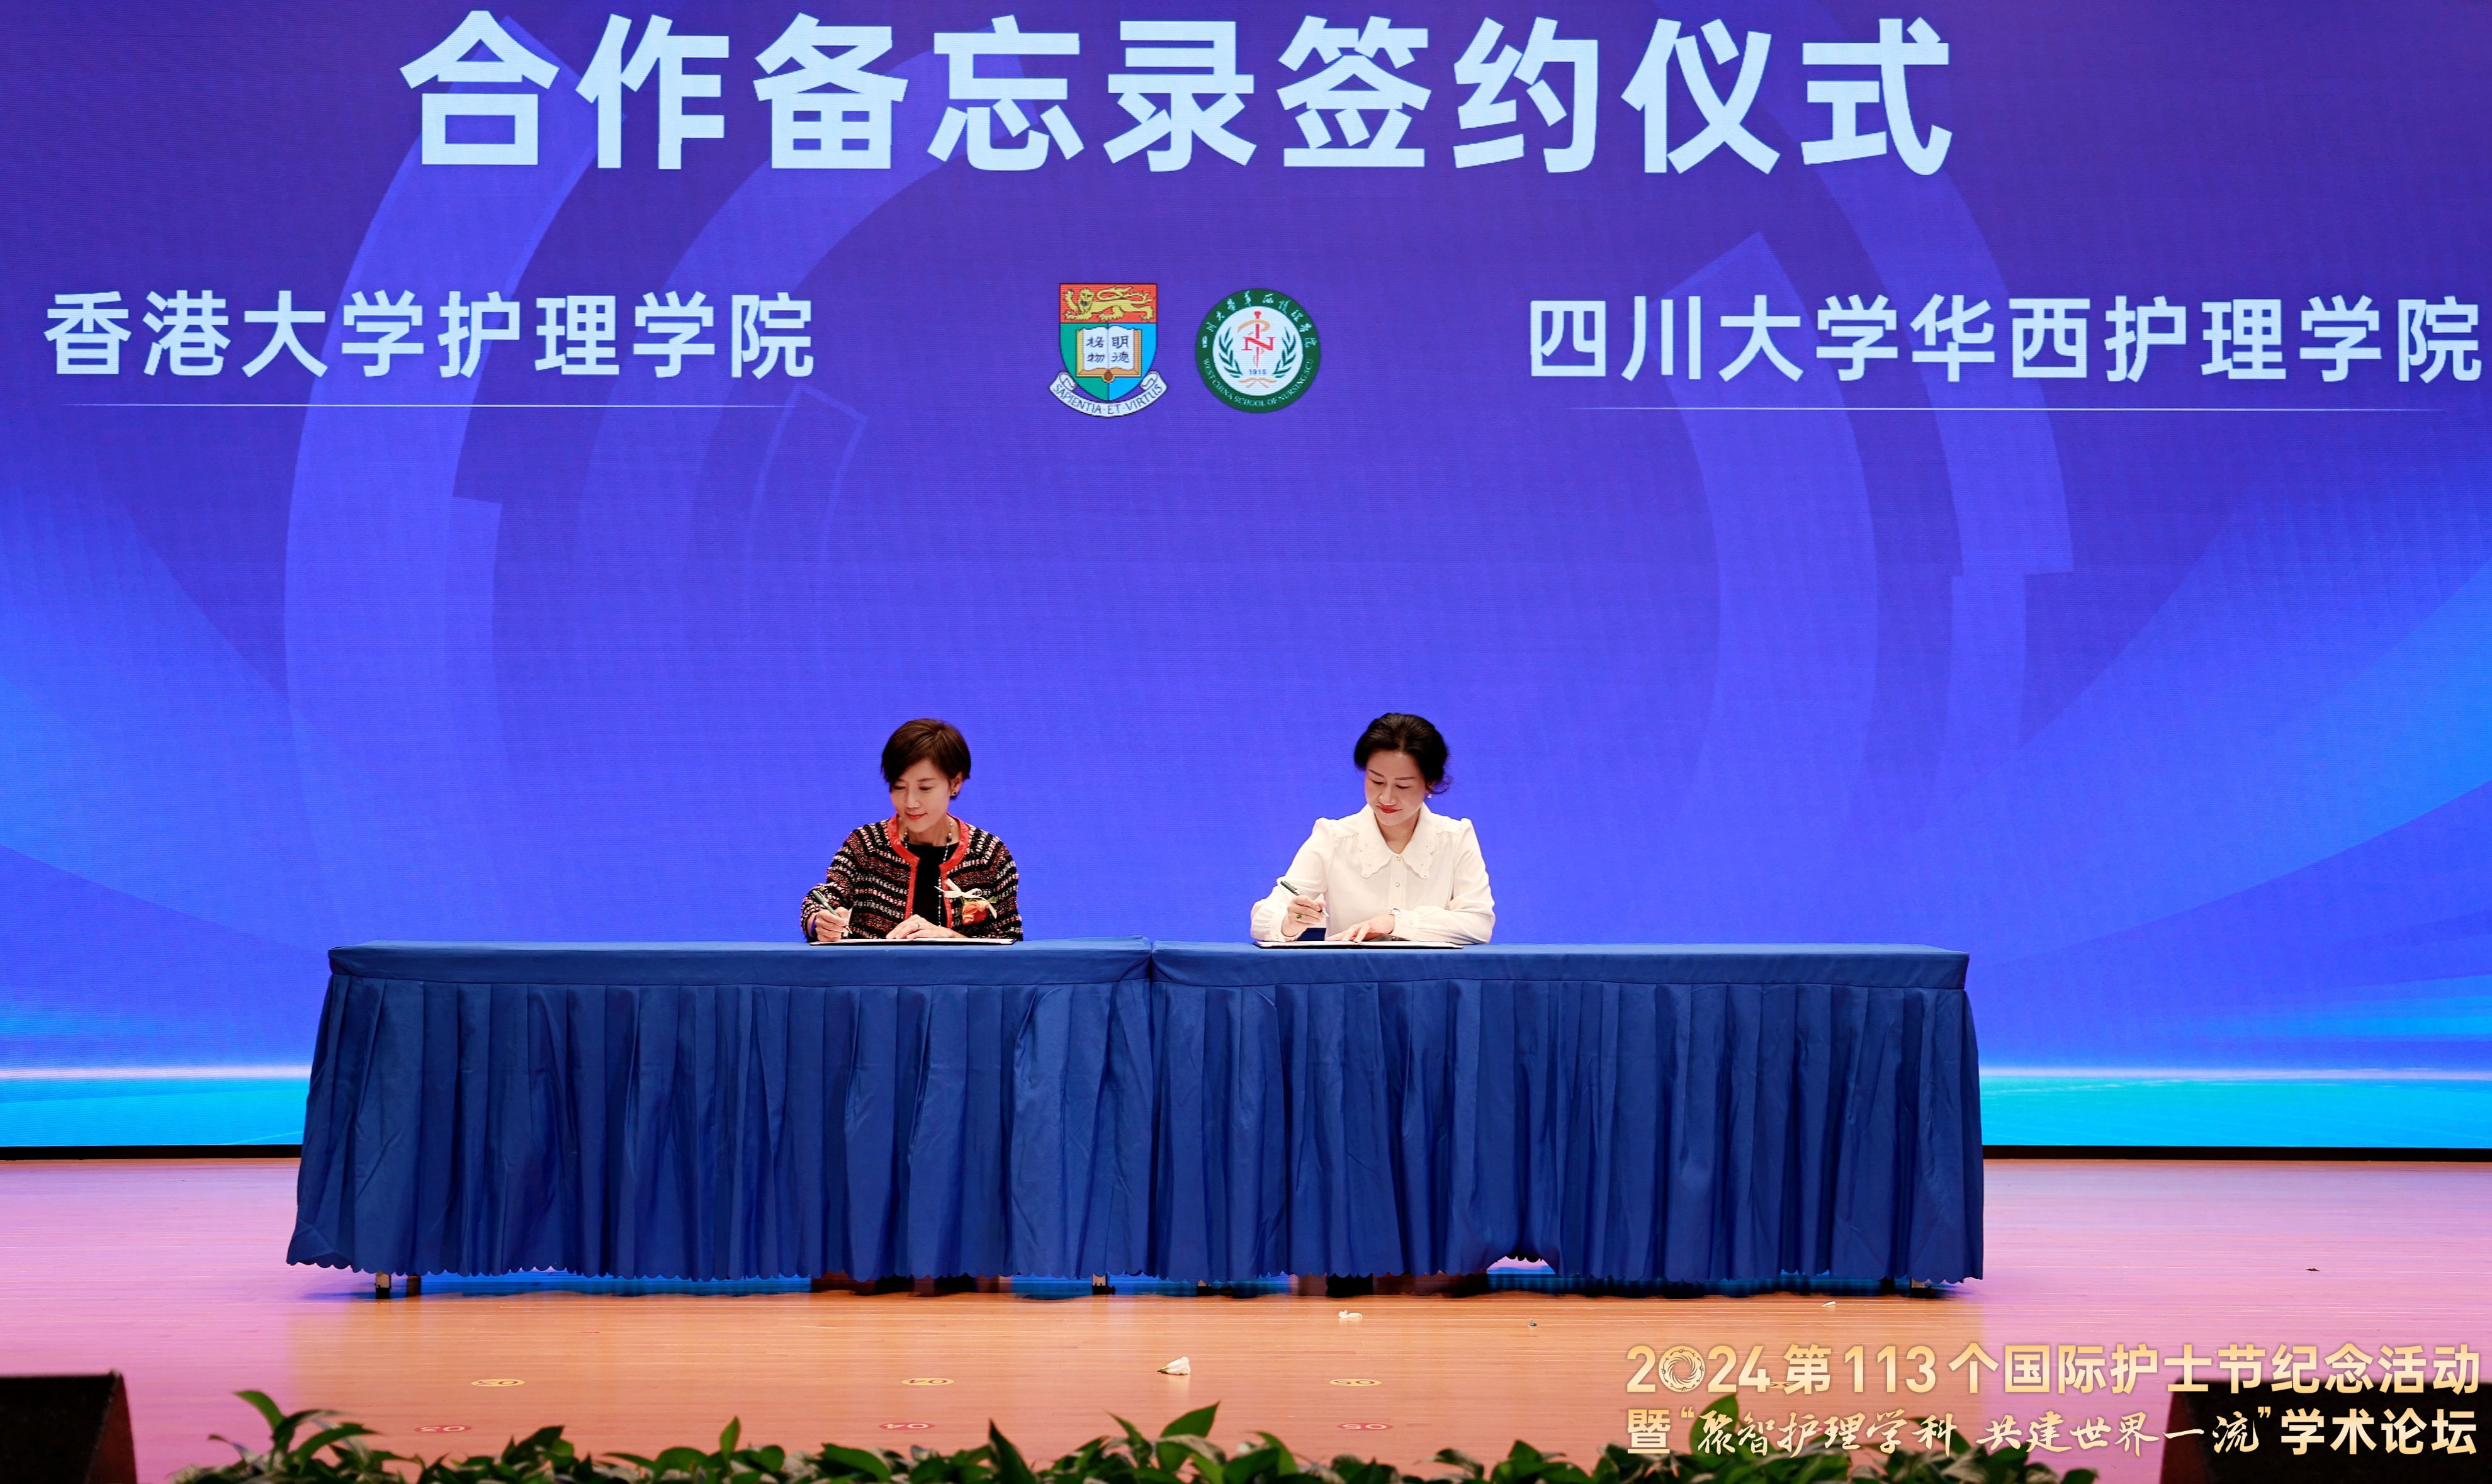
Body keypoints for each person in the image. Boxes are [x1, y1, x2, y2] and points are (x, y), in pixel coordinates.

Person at [1250, 712, 1494, 943]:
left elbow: (1479, 923)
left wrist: (1395, 923)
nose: (1386, 798)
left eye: (1403, 786)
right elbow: (1263, 918)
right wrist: (1291, 922)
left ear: (1430, 783)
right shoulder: (1334, 837)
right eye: (1376, 781)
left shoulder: (1456, 837)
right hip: (1351, 973)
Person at [802, 719, 1022, 942]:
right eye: (899, 787)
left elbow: (1009, 938)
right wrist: (819, 921)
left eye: (925, 788)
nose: (910, 803)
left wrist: (952, 938)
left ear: (955, 783)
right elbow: (823, 899)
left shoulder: (988, 854)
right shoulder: (867, 844)